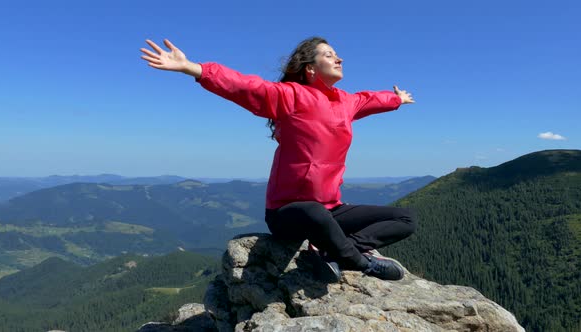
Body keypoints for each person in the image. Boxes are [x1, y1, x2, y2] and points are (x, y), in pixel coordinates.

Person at [140, 36, 417, 282]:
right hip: (288, 212)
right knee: (314, 213)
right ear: (310, 68)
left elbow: (369, 99)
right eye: (329, 54)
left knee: (406, 219)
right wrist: (194, 68)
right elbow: (245, 86)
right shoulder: (291, 96)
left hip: (330, 208)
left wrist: (396, 99)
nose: (339, 58)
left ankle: (338, 251)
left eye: (337, 54)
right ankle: (359, 262)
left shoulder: (346, 102)